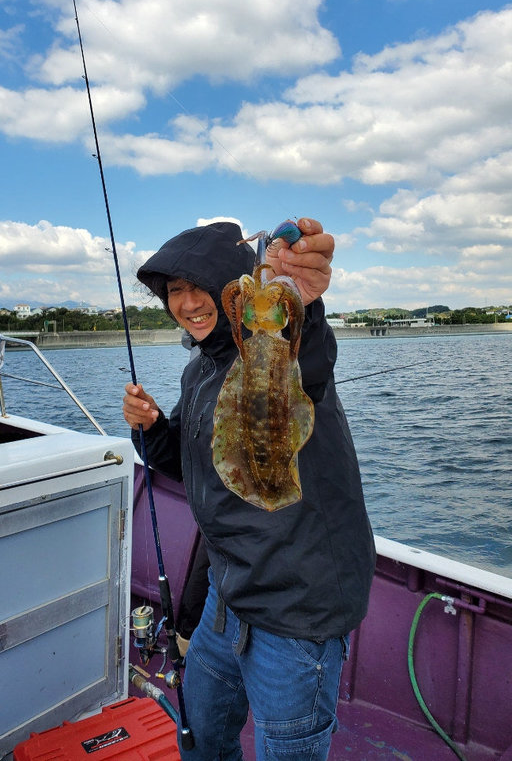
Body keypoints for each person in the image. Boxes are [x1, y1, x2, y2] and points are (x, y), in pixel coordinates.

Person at [123, 218, 375, 761]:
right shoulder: (200, 372)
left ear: (230, 288)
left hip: (295, 606)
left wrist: (301, 302)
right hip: (227, 592)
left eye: (198, 286)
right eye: (174, 291)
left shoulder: (280, 351)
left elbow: (306, 358)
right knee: (203, 738)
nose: (187, 303)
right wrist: (150, 431)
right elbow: (191, 468)